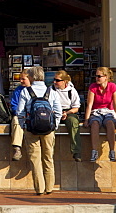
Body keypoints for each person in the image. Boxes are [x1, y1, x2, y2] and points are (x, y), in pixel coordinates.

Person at [17, 66, 63, 196]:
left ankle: (39, 188)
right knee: (48, 158)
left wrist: (23, 125)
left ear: (31, 77)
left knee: (35, 159)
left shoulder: (26, 92)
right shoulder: (51, 91)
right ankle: (49, 187)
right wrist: (55, 125)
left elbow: (20, 112)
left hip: (32, 129)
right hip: (48, 129)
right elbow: (58, 111)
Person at [84, 66, 116, 162]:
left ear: (106, 77)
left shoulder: (112, 86)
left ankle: (112, 151)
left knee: (110, 123)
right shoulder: (93, 87)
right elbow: (89, 104)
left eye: (99, 76)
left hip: (108, 111)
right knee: (95, 124)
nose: (97, 78)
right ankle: (94, 151)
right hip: (96, 111)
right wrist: (86, 119)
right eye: (96, 76)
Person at [52, 70, 83, 161]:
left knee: (73, 123)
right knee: (49, 124)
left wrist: (66, 113)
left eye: (57, 80)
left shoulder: (72, 91)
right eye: (54, 80)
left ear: (64, 81)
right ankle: (49, 151)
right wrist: (57, 113)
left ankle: (76, 151)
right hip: (54, 112)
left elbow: (76, 107)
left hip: (68, 112)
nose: (55, 82)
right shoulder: (51, 89)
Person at [9, 72, 32, 161]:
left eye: (23, 79)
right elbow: (14, 105)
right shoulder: (18, 90)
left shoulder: (36, 89)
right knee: (16, 120)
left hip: (34, 115)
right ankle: (17, 149)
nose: (21, 81)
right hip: (21, 114)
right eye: (20, 79)